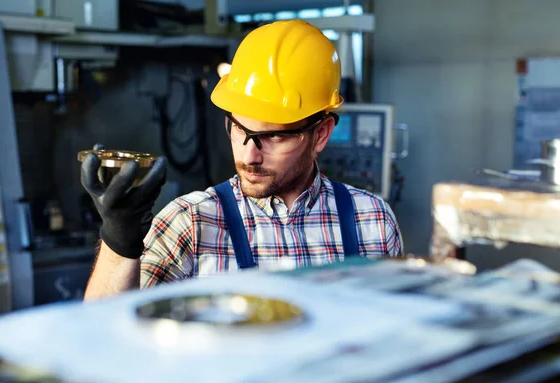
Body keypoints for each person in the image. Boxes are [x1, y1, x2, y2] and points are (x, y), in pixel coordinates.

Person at [81, 19, 403, 300]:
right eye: (239, 128)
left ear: (320, 134)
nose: (249, 155)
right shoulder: (191, 223)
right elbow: (103, 336)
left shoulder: (372, 222)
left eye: (274, 136)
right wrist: (118, 243)